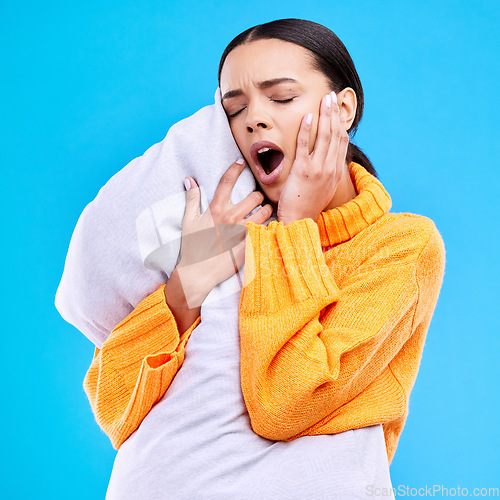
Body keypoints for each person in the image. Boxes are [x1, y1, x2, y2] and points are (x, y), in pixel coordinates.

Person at [80, 19, 445, 499]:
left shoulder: (403, 245)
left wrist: (296, 222)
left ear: (344, 108)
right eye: (235, 108)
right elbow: (113, 406)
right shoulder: (225, 231)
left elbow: (283, 403)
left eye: (281, 98)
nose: (254, 118)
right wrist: (190, 280)